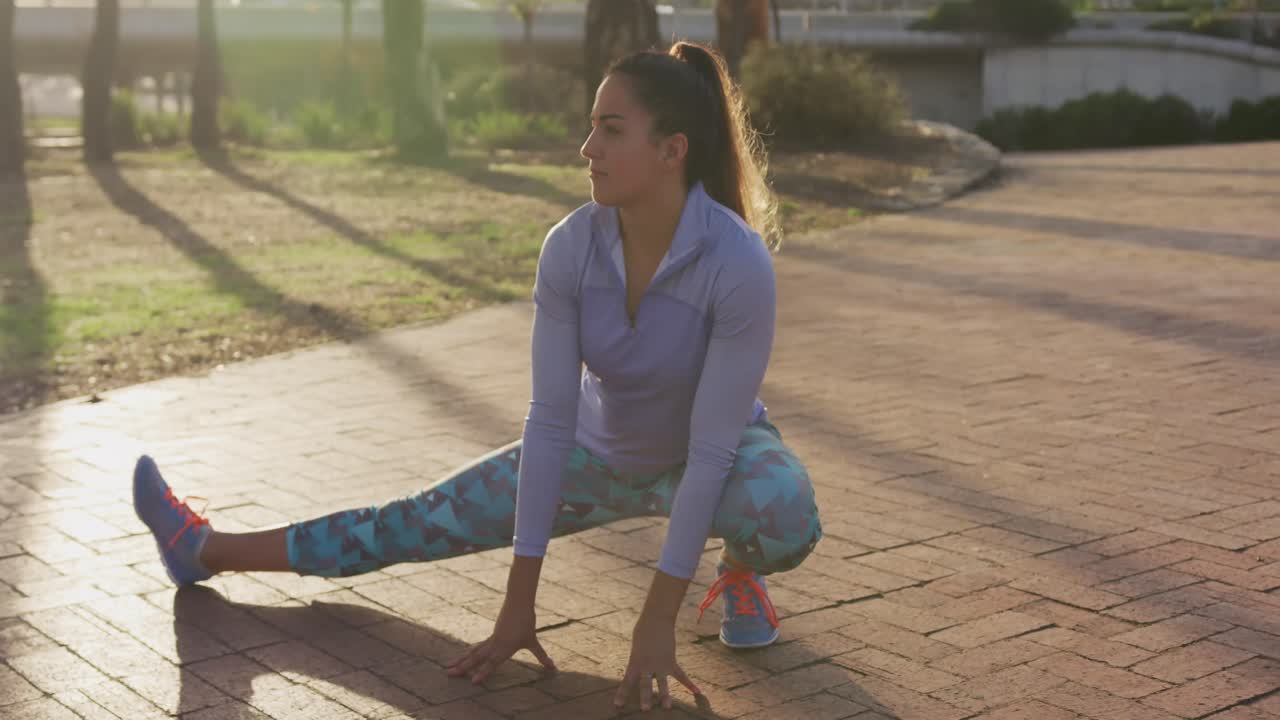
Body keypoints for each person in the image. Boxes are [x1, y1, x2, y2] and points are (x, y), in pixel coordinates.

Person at [133, 40, 822, 713]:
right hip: (592, 453)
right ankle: (201, 549)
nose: (588, 150)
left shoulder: (736, 262)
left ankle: (741, 568)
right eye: (590, 128)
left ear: (673, 150)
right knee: (405, 524)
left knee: (781, 507)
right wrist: (518, 604)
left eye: (611, 131)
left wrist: (656, 619)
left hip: (708, 457)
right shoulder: (571, 248)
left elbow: (711, 449)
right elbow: (551, 421)